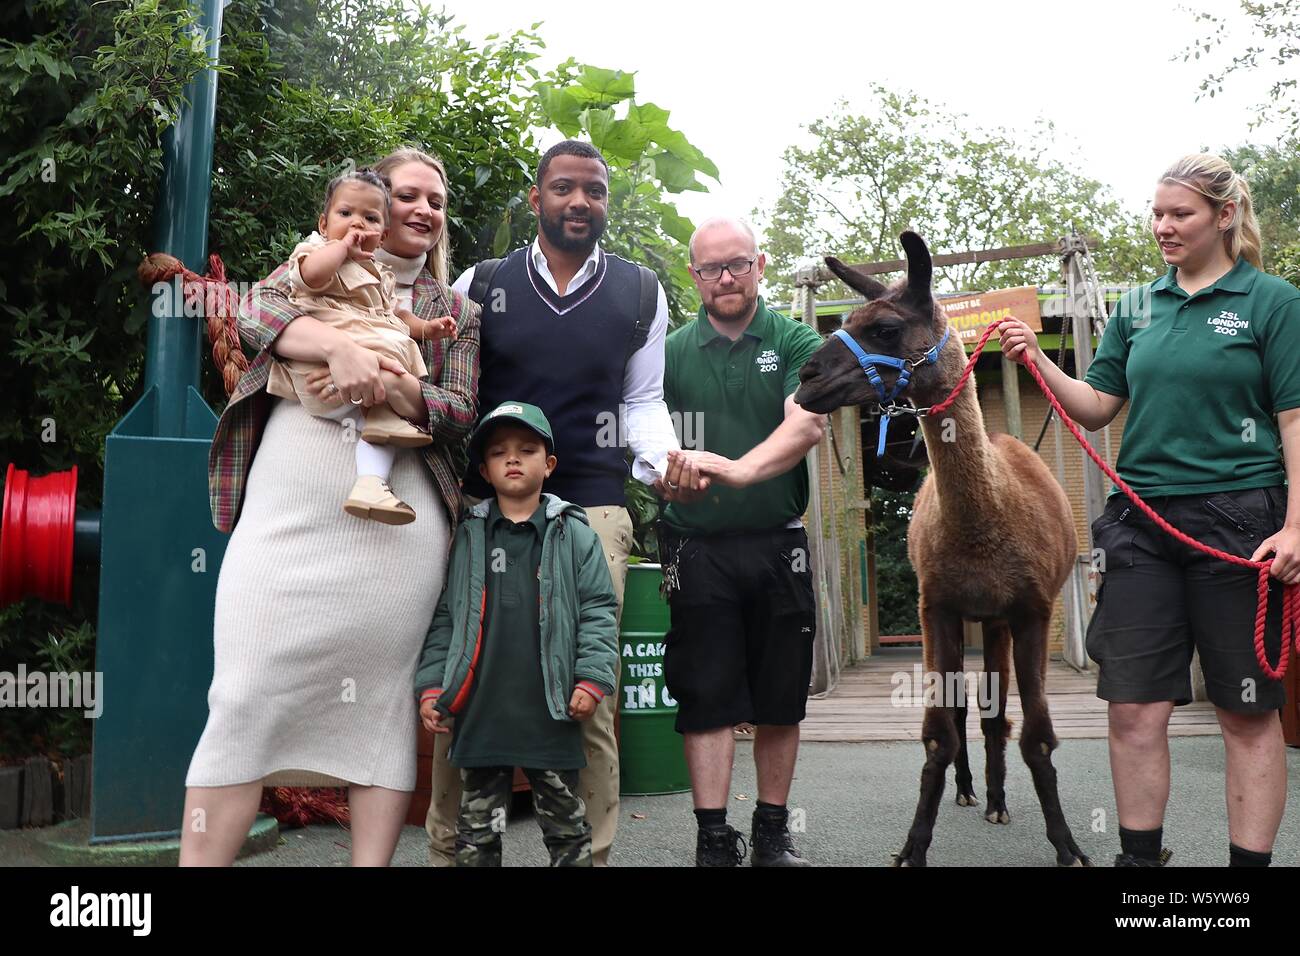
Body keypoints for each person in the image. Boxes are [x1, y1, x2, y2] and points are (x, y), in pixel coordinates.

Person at [181, 146, 480, 867]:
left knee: (377, 707)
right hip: (286, 515)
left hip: (396, 530)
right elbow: (255, 313)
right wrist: (335, 350)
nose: (421, 211)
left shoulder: (453, 311)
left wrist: (387, 383)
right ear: (367, 205)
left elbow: (461, 409)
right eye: (406, 195)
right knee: (243, 696)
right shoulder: (315, 259)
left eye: (435, 202)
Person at [1000, 153, 1300, 867]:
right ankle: (1140, 870)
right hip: (1140, 526)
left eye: (1179, 214)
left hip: (1243, 525)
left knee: (1247, 712)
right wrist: (1038, 364)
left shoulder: (1272, 303)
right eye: (1157, 213)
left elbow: (1294, 422)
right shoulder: (1137, 306)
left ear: (1224, 217)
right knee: (1132, 708)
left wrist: (1296, 527)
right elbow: (1100, 407)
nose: (1162, 226)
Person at [426, 139, 680, 866]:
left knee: (587, 693)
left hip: (594, 505)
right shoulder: (483, 281)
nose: (579, 202)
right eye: (563, 188)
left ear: (606, 203)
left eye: (594, 191)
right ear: (535, 199)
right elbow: (457, 392)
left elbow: (643, 403)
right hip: (485, 507)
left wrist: (664, 464)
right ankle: (450, 854)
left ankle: (591, 856)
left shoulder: (640, 293)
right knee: (465, 678)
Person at [659, 217, 827, 866]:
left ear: (760, 264)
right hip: (694, 549)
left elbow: (805, 424)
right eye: (710, 269)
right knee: (706, 694)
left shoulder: (795, 340)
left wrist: (734, 468)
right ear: (694, 276)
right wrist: (665, 481)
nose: (725, 278)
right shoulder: (669, 352)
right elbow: (647, 441)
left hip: (777, 543)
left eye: (736, 264)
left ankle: (771, 834)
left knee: (781, 696)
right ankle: (712, 839)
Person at [414, 401, 619, 866]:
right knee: (477, 834)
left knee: (566, 828)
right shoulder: (467, 536)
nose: (512, 459)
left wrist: (591, 679)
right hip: (481, 712)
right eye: (499, 452)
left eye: (527, 450)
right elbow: (446, 616)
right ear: (484, 470)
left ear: (548, 465)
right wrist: (432, 688)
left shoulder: (575, 535)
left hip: (551, 710)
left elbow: (598, 611)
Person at [268, 167, 457, 524]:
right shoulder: (316, 250)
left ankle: (371, 483)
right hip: (318, 382)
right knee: (383, 357)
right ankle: (383, 417)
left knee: (386, 409)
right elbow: (298, 282)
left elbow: (398, 316)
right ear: (323, 224)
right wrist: (340, 248)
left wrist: (428, 328)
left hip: (367, 398)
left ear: (382, 233)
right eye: (345, 215)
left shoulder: (384, 277)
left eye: (369, 218)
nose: (357, 225)